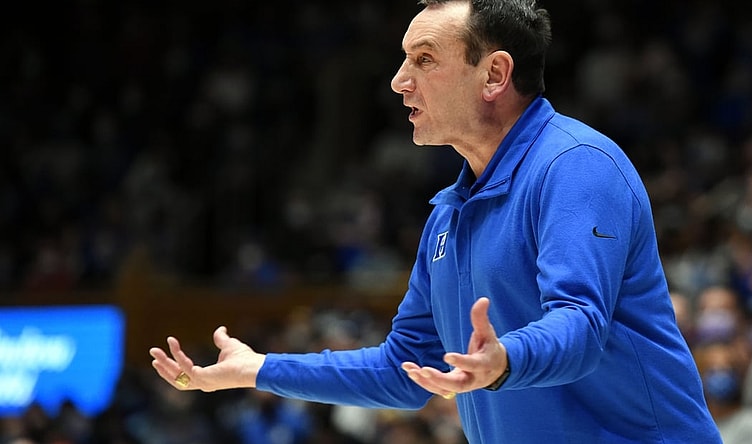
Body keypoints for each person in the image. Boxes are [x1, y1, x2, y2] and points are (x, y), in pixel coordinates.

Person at [150, 0, 723, 442]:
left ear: (494, 74)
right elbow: (402, 370)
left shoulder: (575, 166)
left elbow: (580, 325)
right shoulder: (448, 214)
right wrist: (260, 369)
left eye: (423, 60)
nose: (399, 80)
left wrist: (505, 360)